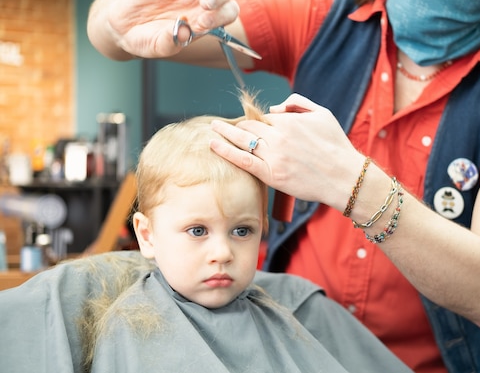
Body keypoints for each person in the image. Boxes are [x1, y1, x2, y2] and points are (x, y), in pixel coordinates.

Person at [86, 0, 480, 371]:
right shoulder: (323, 12)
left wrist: (352, 183)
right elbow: (109, 26)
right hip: (297, 353)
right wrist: (117, 25)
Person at [0, 92, 412, 373]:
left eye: (241, 231)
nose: (222, 252)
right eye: (197, 230)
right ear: (147, 236)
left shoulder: (300, 309)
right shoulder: (115, 316)